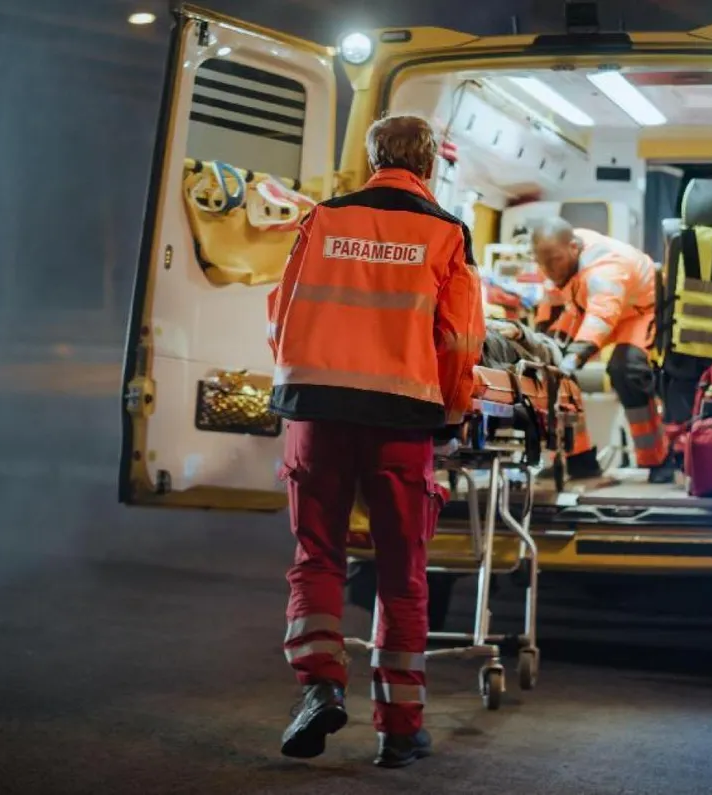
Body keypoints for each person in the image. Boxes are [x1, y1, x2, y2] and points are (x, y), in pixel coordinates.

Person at [266, 114, 485, 768]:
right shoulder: (446, 231)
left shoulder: (323, 218)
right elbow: (459, 342)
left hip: (316, 411)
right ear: (430, 165)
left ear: (372, 160)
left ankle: (320, 686)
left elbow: (280, 314)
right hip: (399, 418)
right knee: (402, 573)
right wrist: (451, 416)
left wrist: (302, 381)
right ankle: (398, 729)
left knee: (317, 555)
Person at [529, 218, 676, 483]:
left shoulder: (607, 267)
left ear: (574, 248)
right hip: (588, 308)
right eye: (543, 263)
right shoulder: (555, 254)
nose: (549, 270)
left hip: (638, 312)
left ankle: (658, 459)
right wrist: (541, 349)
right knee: (550, 369)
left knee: (626, 370)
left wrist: (572, 360)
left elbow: (601, 317)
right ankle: (578, 460)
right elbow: (550, 309)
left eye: (554, 261)